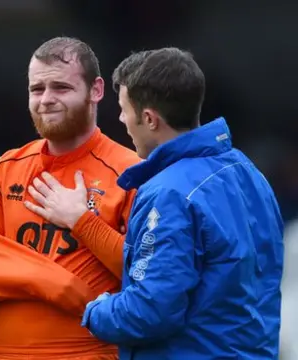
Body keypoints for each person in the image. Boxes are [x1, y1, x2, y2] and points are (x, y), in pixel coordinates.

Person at [79, 48, 284, 359]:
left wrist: (96, 310)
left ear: (149, 119)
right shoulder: (248, 172)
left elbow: (148, 311)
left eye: (123, 109)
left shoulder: (168, 193)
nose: (121, 119)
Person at [0, 36, 140, 359]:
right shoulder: (4, 170)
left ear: (96, 90)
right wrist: (54, 283)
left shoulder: (131, 172)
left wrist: (83, 223)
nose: (46, 100)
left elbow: (151, 274)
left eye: (61, 88)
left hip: (89, 351)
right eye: (36, 90)